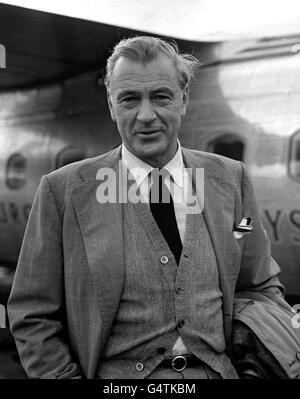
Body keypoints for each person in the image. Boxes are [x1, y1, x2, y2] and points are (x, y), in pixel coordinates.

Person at [7, 36, 285, 379]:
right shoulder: (61, 192)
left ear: (183, 100)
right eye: (129, 99)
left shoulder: (231, 182)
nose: (146, 115)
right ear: (111, 106)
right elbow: (32, 313)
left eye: (161, 96)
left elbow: (259, 283)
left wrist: (254, 370)